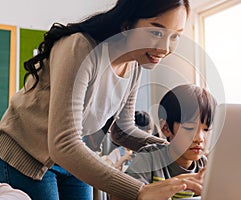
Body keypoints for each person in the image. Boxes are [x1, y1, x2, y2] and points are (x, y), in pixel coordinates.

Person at [0, 0, 203, 200]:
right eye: (156, 32)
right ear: (127, 23)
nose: (165, 48)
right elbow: (63, 143)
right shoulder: (80, 47)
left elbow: (122, 131)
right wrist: (140, 190)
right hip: (27, 155)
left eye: (175, 36)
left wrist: (174, 148)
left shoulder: (135, 65)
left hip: (74, 158)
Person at [124, 84, 217, 199]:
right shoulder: (149, 158)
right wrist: (181, 182)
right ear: (166, 128)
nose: (200, 138)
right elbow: (123, 196)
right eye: (189, 128)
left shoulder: (205, 165)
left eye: (206, 130)